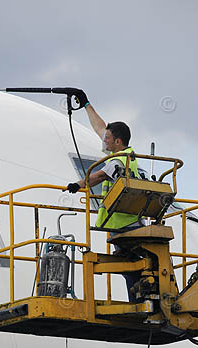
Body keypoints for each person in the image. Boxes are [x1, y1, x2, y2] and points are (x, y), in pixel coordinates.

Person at [66, 90, 142, 301]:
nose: (103, 141)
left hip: (123, 224)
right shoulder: (123, 152)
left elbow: (99, 176)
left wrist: (78, 184)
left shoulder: (119, 160)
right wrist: (86, 104)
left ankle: (139, 303)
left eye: (107, 139)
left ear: (117, 142)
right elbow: (101, 128)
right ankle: (139, 301)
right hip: (124, 223)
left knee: (131, 266)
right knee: (130, 267)